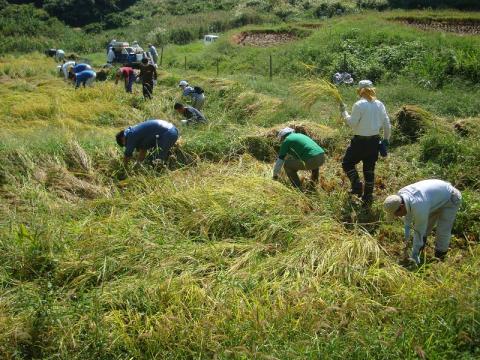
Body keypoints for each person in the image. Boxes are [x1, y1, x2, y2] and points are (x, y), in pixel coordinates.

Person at [383, 179, 462, 266]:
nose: (397, 217)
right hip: (434, 198)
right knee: (426, 226)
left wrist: (413, 257)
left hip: (451, 198)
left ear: (401, 207)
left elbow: (419, 232)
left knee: (442, 230)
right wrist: (406, 241)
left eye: (396, 214)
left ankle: (440, 257)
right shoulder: (400, 196)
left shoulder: (419, 207)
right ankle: (420, 250)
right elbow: (407, 218)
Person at [339, 79, 391, 204]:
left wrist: (343, 112)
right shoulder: (380, 104)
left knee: (347, 163)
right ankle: (368, 196)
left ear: (360, 91)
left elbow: (352, 123)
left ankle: (356, 185)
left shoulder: (359, 104)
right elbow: (387, 124)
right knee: (369, 169)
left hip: (359, 142)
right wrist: (385, 140)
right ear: (372, 90)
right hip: (374, 142)